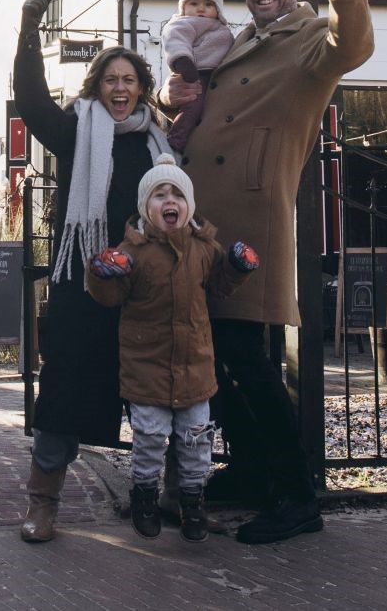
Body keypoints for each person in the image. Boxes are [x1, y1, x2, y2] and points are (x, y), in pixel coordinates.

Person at [161, 0, 373, 545]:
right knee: (219, 362)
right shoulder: (236, 39)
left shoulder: (311, 36)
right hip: (203, 220)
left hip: (252, 220)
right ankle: (252, 470)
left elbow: (351, 44)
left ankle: (297, 494)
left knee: (251, 362)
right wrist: (173, 96)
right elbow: (203, 106)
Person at [12, 0, 172, 544]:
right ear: (96, 87)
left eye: (130, 80)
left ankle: (166, 492)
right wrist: (28, 31)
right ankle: (43, 502)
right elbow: (30, 102)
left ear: (142, 88)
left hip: (143, 286)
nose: (121, 88)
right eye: (111, 80)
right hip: (81, 283)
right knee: (63, 387)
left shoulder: (159, 144)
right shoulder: (77, 132)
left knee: (157, 388)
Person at [85, 154, 259, 542]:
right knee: (149, 437)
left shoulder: (203, 248)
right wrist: (101, 273)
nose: (170, 201)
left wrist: (235, 267)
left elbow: (219, 285)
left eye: (177, 195)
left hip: (195, 364)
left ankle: (193, 500)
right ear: (146, 207)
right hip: (146, 365)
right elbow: (109, 296)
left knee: (197, 438)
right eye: (160, 195)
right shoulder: (134, 252)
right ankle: (145, 494)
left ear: (188, 206)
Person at [161, 0, 236, 153]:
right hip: (195, 75)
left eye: (209, 4)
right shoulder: (183, 23)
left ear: (218, 9)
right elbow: (176, 41)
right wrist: (183, 62)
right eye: (194, 3)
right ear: (184, 7)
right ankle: (176, 139)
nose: (201, 9)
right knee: (192, 108)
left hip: (219, 77)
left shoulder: (222, 28)